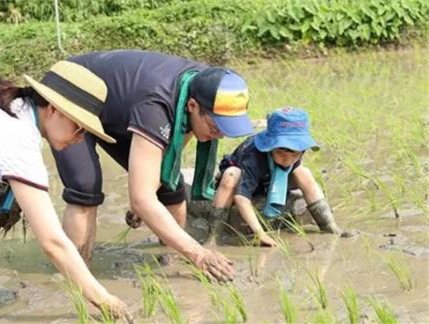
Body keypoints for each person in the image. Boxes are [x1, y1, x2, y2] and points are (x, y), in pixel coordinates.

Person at [0, 61, 131, 323]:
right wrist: (103, 299)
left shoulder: (10, 106)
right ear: (54, 110)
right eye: (80, 127)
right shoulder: (18, 141)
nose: (81, 137)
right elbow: (53, 243)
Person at [50, 50, 255, 281]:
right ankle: (77, 278)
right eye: (215, 126)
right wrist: (198, 253)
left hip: (119, 106)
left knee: (170, 186)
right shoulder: (157, 106)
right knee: (85, 186)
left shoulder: (204, 85)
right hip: (72, 91)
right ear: (192, 106)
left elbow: (169, 158)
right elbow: (142, 198)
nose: (219, 135)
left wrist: (145, 198)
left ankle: (171, 262)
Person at [211, 107, 343, 247]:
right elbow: (241, 197)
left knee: (304, 173)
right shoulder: (252, 154)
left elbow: (297, 169)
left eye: (295, 154)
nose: (288, 159)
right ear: (270, 146)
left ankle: (328, 226)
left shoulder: (295, 155)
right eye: (282, 154)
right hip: (244, 181)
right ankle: (213, 235)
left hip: (272, 180)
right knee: (231, 174)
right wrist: (261, 234)